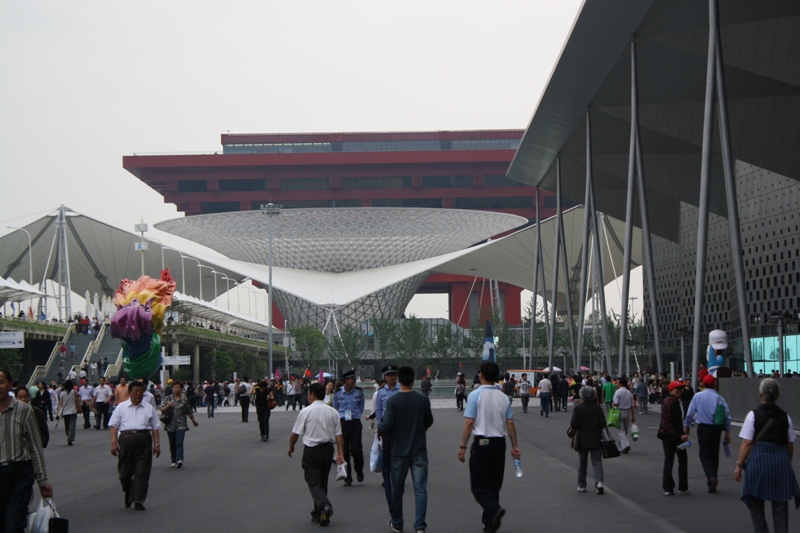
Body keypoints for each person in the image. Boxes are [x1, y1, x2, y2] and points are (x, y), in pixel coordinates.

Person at [458, 361, 520, 533]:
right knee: (494, 484)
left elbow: (469, 422)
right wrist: (515, 446)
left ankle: (493, 509)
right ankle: (489, 523)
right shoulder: (503, 397)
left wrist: (462, 446)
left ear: (481, 376)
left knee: (478, 484)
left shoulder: (475, 395)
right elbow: (510, 424)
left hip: (482, 442)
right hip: (500, 443)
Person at [734, 378, 799, 532]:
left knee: (756, 501)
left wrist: (738, 465)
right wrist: (786, 462)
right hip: (780, 462)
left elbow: (747, 443)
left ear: (760, 394)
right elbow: (790, 444)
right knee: (780, 503)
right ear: (777, 396)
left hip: (758, 462)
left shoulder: (753, 415)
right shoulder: (785, 417)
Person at [380, 366, 434, 533]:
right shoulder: (423, 400)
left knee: (397, 489)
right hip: (419, 450)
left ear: (399, 380)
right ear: (413, 380)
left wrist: (379, 428)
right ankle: (419, 526)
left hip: (398, 451)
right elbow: (429, 421)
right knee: (420, 489)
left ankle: (397, 521)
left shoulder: (393, 401)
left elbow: (387, 425)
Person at [0, 369, 54, 531]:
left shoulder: (24, 411)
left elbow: (35, 447)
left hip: (19, 475)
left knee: (13, 524)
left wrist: (42, 480)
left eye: (1, 382)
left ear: (10, 384)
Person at [287, 382, 345, 527]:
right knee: (322, 481)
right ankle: (318, 513)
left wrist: (291, 447)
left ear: (312, 394)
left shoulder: (306, 411)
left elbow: (295, 434)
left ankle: (325, 506)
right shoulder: (333, 412)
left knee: (313, 482)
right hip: (327, 450)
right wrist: (341, 453)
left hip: (312, 450)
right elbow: (339, 435)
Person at [108, 380, 162, 511]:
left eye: (141, 391)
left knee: (142, 472)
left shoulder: (148, 408)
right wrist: (114, 444)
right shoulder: (121, 407)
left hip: (143, 439)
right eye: (136, 391)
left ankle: (138, 500)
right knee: (124, 473)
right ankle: (129, 490)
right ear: (129, 392)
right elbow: (114, 426)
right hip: (126, 439)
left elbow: (155, 427)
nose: (138, 394)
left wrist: (157, 444)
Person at [684, 374, 731, 493]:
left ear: (703, 384)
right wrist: (727, 432)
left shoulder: (698, 396)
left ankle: (710, 476)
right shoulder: (719, 397)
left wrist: (687, 426)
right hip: (716, 429)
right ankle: (714, 478)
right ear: (715, 384)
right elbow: (727, 415)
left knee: (704, 455)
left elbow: (690, 413)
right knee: (714, 454)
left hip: (703, 428)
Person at [371, 365, 401, 508]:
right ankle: (387, 475)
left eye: (393, 375)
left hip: (399, 426)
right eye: (388, 375)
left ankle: (396, 474)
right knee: (386, 452)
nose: (390, 377)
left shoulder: (401, 389)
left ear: (396, 376)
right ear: (385, 377)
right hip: (386, 429)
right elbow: (378, 409)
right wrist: (379, 425)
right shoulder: (381, 392)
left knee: (399, 453)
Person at [570, 386, 606, 494]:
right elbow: (603, 424)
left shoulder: (578, 408)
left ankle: (582, 485)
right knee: (597, 462)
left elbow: (574, 424)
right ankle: (599, 482)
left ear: (582, 396)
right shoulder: (597, 408)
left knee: (582, 462)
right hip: (595, 438)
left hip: (582, 439)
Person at [332, 369, 365, 486]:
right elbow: (335, 408)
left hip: (355, 422)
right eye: (352, 379)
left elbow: (361, 406)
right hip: (343, 423)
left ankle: (359, 469)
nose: (354, 381)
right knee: (344, 451)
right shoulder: (338, 394)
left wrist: (356, 415)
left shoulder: (359, 392)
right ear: (346, 380)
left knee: (356, 450)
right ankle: (348, 477)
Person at [658, 381, 690, 495]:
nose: (680, 391)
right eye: (677, 389)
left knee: (668, 460)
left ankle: (667, 487)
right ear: (671, 389)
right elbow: (676, 420)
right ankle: (683, 486)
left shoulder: (665, 401)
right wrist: (682, 434)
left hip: (665, 435)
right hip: (676, 436)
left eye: (680, 389)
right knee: (682, 459)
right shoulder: (675, 402)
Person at [160, 380, 198, 468]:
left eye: (177, 387)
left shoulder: (184, 400)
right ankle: (173, 460)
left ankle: (179, 459)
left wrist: (193, 420)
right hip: (170, 424)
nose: (175, 389)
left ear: (181, 389)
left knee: (179, 442)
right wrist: (168, 406)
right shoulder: (168, 398)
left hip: (181, 424)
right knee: (172, 443)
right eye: (174, 387)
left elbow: (188, 411)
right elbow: (162, 410)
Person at [612, 377, 635, 454]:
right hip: (627, 412)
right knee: (625, 430)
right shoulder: (629, 393)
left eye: (617, 382)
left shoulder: (618, 392)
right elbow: (632, 406)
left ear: (621, 383)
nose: (616, 384)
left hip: (619, 411)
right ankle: (622, 446)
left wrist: (613, 408)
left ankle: (625, 445)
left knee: (621, 430)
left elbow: (615, 403)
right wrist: (633, 416)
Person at [57, 379, 79, 445]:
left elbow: (60, 403)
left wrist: (58, 412)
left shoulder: (62, 393)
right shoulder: (74, 392)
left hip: (65, 411)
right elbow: (77, 400)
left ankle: (68, 435)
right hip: (73, 410)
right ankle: (70, 438)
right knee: (72, 425)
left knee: (67, 425)